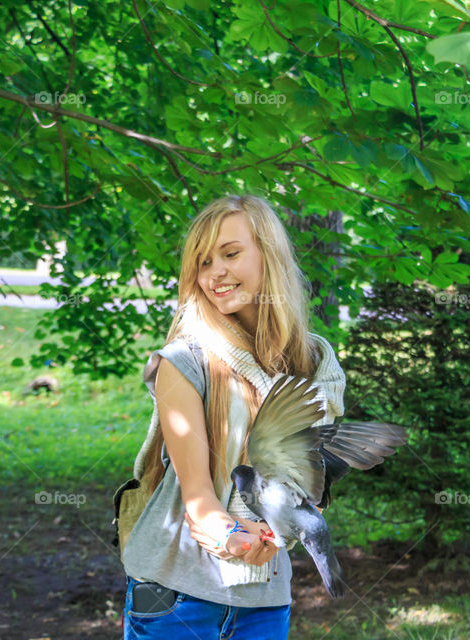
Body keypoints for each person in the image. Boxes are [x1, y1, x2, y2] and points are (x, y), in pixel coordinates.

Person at [118, 195, 346, 639]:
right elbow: (197, 496)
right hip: (173, 594)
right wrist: (231, 538)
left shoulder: (314, 360)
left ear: (269, 254)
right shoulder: (184, 360)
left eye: (230, 253)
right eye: (203, 262)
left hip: (264, 598)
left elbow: (311, 477)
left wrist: (275, 533)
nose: (215, 272)